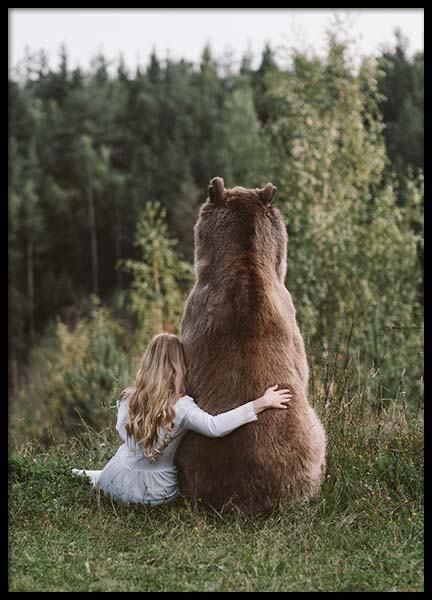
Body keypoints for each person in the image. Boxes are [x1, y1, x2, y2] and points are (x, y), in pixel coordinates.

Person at [72, 333, 291, 506]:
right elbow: (215, 427)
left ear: (148, 363)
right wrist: (261, 402)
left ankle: (94, 477)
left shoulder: (129, 399)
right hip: (157, 494)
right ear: (179, 366)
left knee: (122, 456)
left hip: (116, 482)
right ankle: (92, 475)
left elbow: (123, 435)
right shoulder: (182, 406)